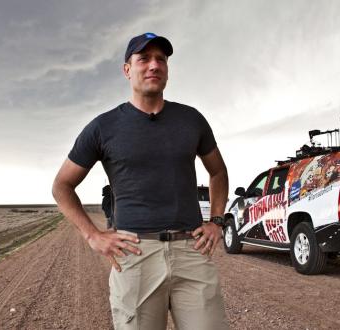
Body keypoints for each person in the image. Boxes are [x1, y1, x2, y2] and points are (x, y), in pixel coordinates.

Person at [52, 32, 229, 330]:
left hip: (191, 252)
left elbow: (218, 172)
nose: (154, 65)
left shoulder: (191, 120)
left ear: (167, 69)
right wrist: (93, 236)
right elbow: (62, 186)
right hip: (135, 256)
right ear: (127, 69)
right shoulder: (103, 127)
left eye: (161, 59)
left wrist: (216, 221)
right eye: (144, 58)